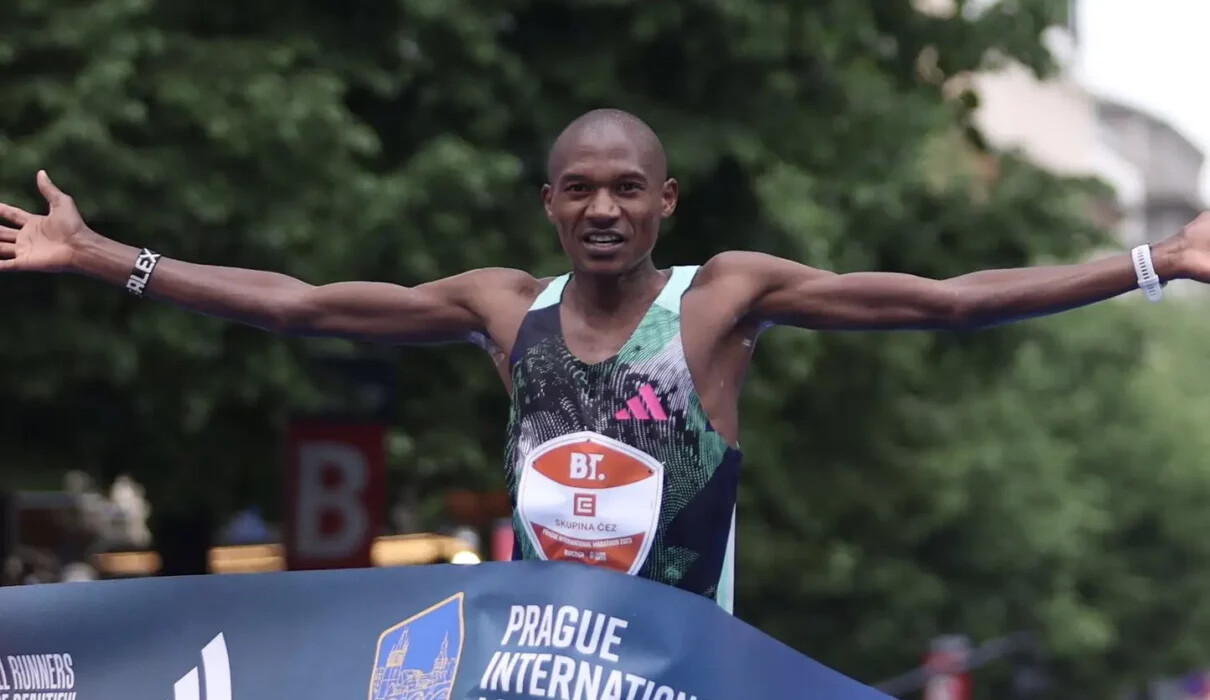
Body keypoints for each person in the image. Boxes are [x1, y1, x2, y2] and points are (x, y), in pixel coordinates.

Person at [1, 109, 1207, 613]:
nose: (602, 208)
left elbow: (944, 302)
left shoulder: (722, 301)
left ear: (664, 201)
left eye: (627, 187)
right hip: (539, 664)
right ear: (549, 205)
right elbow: (301, 304)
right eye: (577, 189)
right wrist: (105, 256)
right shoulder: (502, 309)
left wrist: (1150, 260)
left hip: (681, 665)